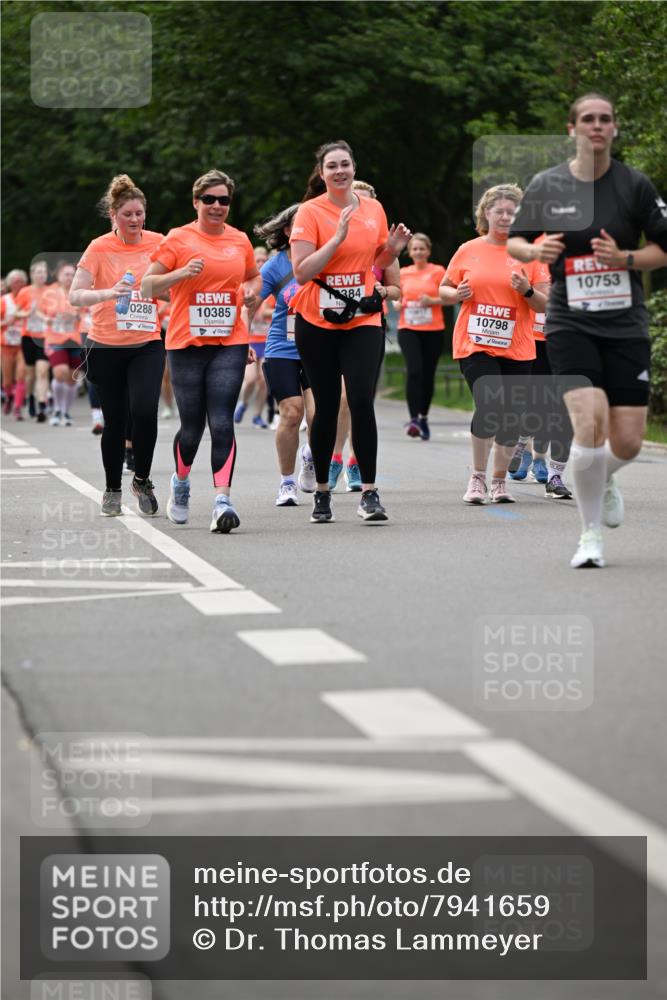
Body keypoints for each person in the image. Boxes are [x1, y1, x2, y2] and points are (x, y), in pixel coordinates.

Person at [508, 92, 667, 567]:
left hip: (624, 324)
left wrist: (628, 260)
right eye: (588, 120)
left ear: (614, 128)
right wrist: (536, 254)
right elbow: (516, 240)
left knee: (627, 443)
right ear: (573, 128)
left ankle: (605, 476)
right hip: (570, 321)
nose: (597, 126)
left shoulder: (634, 186)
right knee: (589, 421)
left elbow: (663, 247)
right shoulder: (548, 183)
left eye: (606, 119)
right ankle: (590, 536)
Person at [290, 140, 410, 524]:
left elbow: (378, 265)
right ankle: (322, 492)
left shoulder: (372, 207)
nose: (339, 171)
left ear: (354, 168)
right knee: (325, 408)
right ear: (321, 173)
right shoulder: (309, 213)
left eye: (345, 164)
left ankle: (369, 493)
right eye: (332, 166)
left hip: (362, 318)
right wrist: (337, 239)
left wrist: (391, 250)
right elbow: (302, 272)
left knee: (360, 400)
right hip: (317, 320)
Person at [142, 168, 261, 533]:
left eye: (223, 200)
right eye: (209, 199)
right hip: (185, 343)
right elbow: (148, 286)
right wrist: (180, 275)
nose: (216, 206)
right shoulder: (178, 239)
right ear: (196, 202)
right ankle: (180, 484)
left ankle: (222, 500)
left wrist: (252, 293)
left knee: (222, 421)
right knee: (192, 427)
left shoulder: (240, 240)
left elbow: (253, 276)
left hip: (230, 341)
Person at [439, 184, 550, 504]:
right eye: (498, 211)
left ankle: (499, 482)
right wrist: (456, 294)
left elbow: (544, 305)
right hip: (475, 343)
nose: (504, 217)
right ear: (485, 214)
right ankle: (477, 479)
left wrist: (527, 290)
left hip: (518, 346)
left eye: (511, 213)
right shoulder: (468, 249)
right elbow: (444, 289)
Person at [70, 174, 165, 517]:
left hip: (146, 343)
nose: (135, 220)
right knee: (115, 421)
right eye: (128, 214)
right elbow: (75, 295)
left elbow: (174, 288)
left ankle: (141, 478)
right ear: (114, 215)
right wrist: (109, 293)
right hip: (106, 344)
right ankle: (112, 487)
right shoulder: (99, 247)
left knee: (143, 411)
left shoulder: (159, 242)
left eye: (140, 213)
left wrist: (159, 290)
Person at [250, 204, 316, 506]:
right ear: (287, 231)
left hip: (319, 348)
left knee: (319, 416)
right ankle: (286, 482)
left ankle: (310, 455)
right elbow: (251, 302)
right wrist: (242, 339)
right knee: (291, 413)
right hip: (282, 348)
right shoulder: (276, 266)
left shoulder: (324, 258)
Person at [396, 232, 446, 440]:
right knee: (414, 370)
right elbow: (396, 298)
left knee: (428, 375)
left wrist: (433, 301)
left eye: (422, 248)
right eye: (414, 248)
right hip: (408, 328)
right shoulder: (403, 272)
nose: (418, 252)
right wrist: (397, 304)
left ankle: (424, 417)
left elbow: (449, 297)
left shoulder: (438, 271)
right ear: (410, 251)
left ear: (428, 250)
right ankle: (414, 419)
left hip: (433, 329)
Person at [234, 245, 272, 428]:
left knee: (264, 380)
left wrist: (268, 312)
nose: (261, 263)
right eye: (257, 261)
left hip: (267, 339)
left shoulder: (272, 285)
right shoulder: (245, 287)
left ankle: (257, 415)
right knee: (250, 379)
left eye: (264, 260)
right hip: (251, 340)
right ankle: (243, 404)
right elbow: (241, 312)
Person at [42, 262, 82, 427]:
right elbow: (38, 312)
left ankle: (65, 412)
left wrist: (76, 317)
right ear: (59, 276)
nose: (69, 277)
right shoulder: (50, 293)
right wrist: (48, 318)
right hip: (55, 339)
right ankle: (57, 409)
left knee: (73, 379)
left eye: (72, 274)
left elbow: (85, 312)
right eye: (66, 274)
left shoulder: (79, 293)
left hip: (74, 339)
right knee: (60, 373)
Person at [15, 260, 51, 422]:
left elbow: (54, 312)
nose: (41, 275)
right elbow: (16, 313)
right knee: (30, 375)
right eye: (38, 272)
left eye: (44, 272)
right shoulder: (25, 292)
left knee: (42, 371)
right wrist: (29, 313)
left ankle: (42, 404)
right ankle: (30, 397)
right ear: (32, 274)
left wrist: (47, 317)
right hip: (28, 336)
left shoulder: (51, 292)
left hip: (45, 337)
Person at [1, 269, 28, 420]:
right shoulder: (4, 300)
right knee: (7, 380)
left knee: (21, 375)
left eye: (21, 281)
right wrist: (6, 322)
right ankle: (9, 397)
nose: (18, 284)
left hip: (23, 343)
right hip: (6, 344)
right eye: (15, 282)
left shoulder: (29, 298)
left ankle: (17, 408)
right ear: (10, 284)